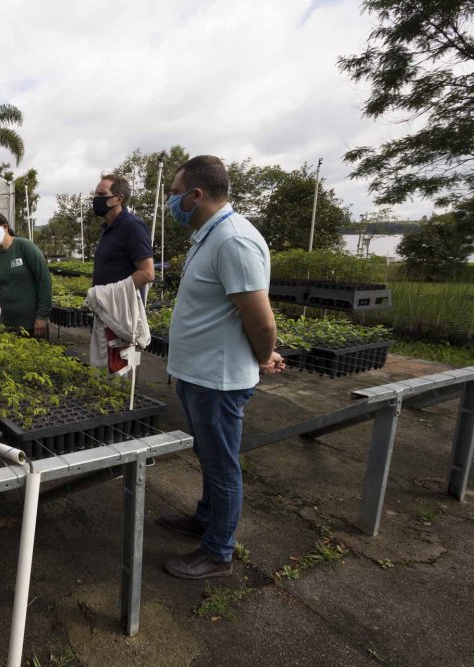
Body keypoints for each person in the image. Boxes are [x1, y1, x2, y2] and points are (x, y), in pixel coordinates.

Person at [157, 155, 285, 580]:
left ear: (196, 194)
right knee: (209, 457)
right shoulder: (208, 236)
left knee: (222, 465)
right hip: (199, 374)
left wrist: (265, 355)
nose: (171, 202)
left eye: (175, 194)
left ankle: (218, 551)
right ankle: (205, 519)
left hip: (218, 379)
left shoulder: (233, 240)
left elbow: (260, 319)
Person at [89, 174, 155, 368]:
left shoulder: (131, 226)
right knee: (104, 367)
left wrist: (108, 294)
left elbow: (147, 273)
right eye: (95, 193)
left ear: (118, 199)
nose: (96, 198)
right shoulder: (108, 228)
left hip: (121, 314)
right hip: (106, 311)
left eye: (101, 193)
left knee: (119, 369)